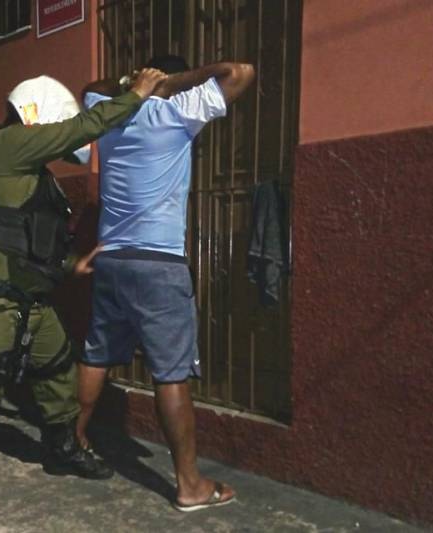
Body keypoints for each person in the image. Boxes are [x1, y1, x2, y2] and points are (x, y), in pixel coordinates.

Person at [0, 68, 167, 512]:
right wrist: (135, 94)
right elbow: (83, 128)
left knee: (56, 369)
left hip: (27, 298)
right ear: (38, 114)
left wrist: (73, 264)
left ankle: (61, 447)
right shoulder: (4, 146)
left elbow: (29, 239)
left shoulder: (34, 174)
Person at [76, 55, 255, 512]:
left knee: (97, 355)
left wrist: (133, 85)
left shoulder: (111, 116)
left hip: (111, 261)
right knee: (171, 371)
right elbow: (240, 72)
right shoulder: (177, 112)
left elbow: (87, 89)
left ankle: (73, 442)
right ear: (169, 83)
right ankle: (190, 484)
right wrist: (172, 84)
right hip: (158, 264)